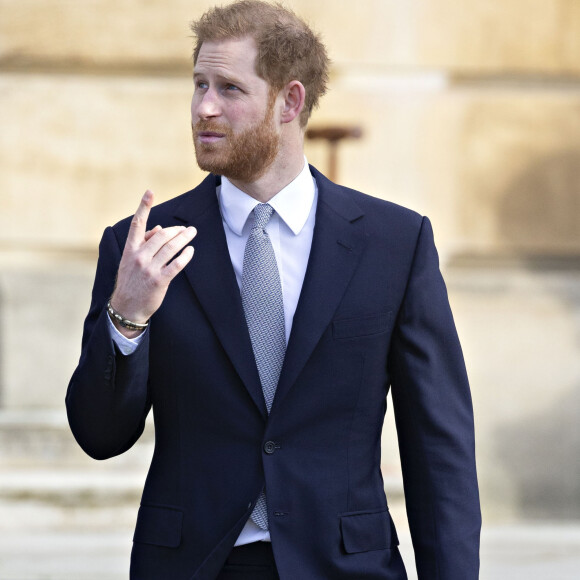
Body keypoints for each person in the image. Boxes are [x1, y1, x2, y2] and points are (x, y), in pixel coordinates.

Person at [66, 1, 481, 578]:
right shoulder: (141, 248)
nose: (204, 108)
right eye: (199, 85)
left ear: (290, 101)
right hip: (195, 565)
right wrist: (126, 317)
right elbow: (100, 435)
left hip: (344, 565)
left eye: (229, 89)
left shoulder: (395, 243)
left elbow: (439, 448)